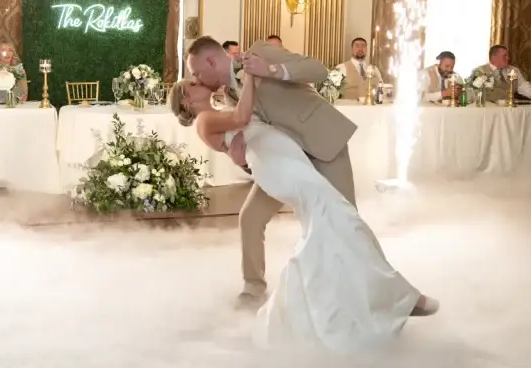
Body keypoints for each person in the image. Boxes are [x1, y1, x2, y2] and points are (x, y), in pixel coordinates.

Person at [167, 66, 438, 351]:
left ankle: (353, 298)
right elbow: (242, 119)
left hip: (286, 155)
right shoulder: (204, 120)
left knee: (331, 218)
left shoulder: (221, 104)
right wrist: (248, 76)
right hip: (275, 163)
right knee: (336, 215)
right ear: (186, 99)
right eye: (193, 83)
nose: (199, 81)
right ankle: (396, 297)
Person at [184, 36, 355, 308]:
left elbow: (319, 70)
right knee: (250, 217)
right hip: (285, 160)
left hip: (321, 142)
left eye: (196, 73)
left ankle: (377, 292)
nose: (197, 79)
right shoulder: (229, 95)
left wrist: (273, 71)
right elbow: (249, 134)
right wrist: (238, 158)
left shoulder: (261, 52)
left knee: (346, 220)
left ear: (210, 61)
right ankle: (253, 288)